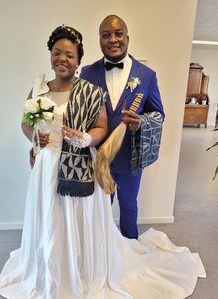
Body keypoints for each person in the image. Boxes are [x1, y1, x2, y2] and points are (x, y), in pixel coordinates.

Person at [0, 25, 206, 299]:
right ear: (50, 55)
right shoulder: (37, 90)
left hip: (85, 163)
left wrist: (86, 138)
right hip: (46, 168)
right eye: (57, 52)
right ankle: (52, 268)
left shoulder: (95, 88)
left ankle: (84, 269)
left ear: (78, 59)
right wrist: (34, 137)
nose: (63, 58)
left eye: (69, 54)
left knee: (104, 214)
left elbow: (103, 126)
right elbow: (26, 124)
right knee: (51, 219)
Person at [80, 15, 164, 239]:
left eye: (118, 34)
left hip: (130, 156)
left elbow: (158, 114)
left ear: (128, 37)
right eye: (106, 35)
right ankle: (99, 250)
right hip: (96, 157)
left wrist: (142, 122)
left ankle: (131, 249)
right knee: (98, 209)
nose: (113, 39)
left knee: (128, 206)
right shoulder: (86, 73)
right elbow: (77, 112)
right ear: (99, 40)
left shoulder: (147, 75)